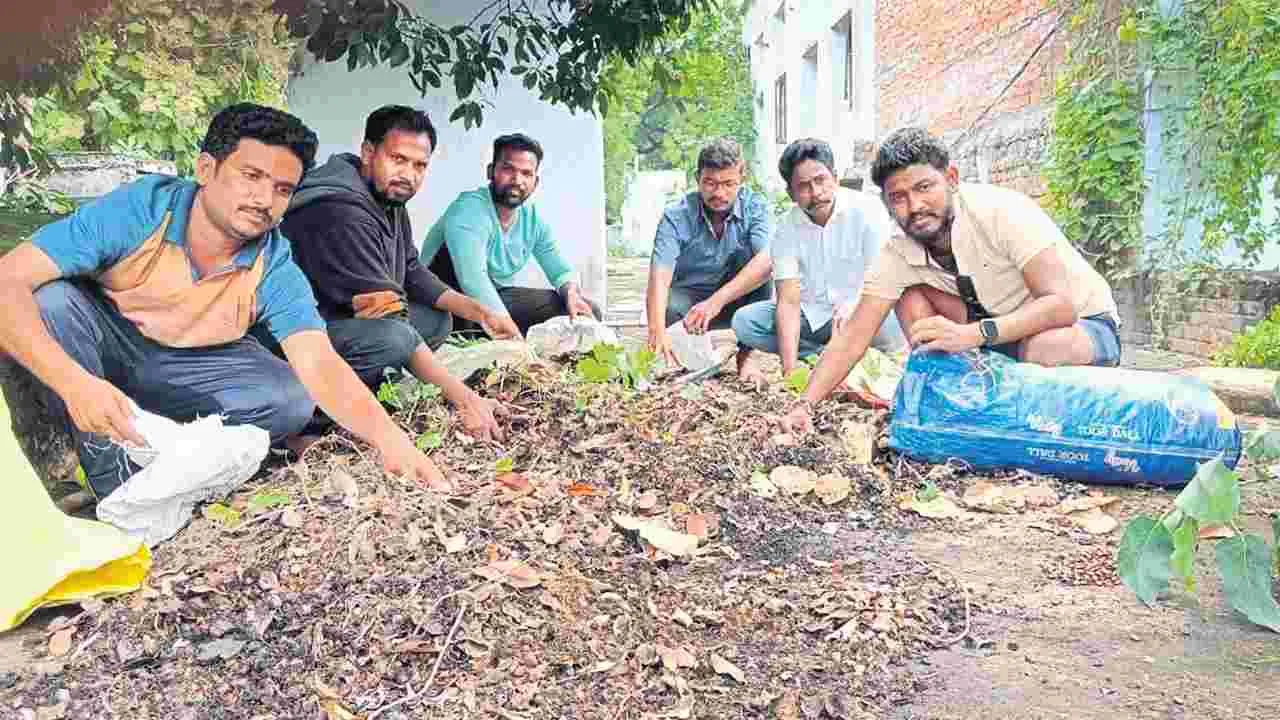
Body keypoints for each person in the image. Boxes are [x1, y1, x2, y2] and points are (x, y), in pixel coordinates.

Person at [0, 103, 451, 498]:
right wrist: (74, 383)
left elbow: (319, 362)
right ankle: (116, 486)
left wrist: (392, 442)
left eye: (282, 189)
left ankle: (167, 444)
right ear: (206, 170)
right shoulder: (140, 210)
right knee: (52, 300)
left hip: (189, 364)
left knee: (291, 398)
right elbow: (8, 280)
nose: (263, 199)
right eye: (251, 176)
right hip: (108, 342)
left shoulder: (273, 261)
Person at [780, 127, 1122, 433]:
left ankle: (1017, 399)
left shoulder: (1002, 211)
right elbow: (853, 335)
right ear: (886, 203)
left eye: (924, 187)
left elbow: (1060, 306)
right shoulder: (897, 251)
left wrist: (973, 334)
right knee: (908, 294)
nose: (915, 206)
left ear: (952, 179)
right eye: (898, 198)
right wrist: (804, 404)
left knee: (1045, 348)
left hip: (1081, 324)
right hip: (993, 335)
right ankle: (960, 397)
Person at [279, 105, 512, 441]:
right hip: (291, 341)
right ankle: (311, 422)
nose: (408, 174)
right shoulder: (339, 210)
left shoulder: (386, 198)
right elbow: (385, 311)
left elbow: (411, 270)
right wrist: (464, 398)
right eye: (398, 159)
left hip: (342, 321)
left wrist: (479, 312)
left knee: (437, 319)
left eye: (419, 165)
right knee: (394, 338)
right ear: (368, 152)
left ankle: (371, 383)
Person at [731, 138, 906, 377]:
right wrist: (789, 371)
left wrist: (854, 306)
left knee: (891, 319)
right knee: (745, 322)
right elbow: (789, 302)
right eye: (803, 186)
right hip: (817, 317)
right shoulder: (786, 228)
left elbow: (882, 276)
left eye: (821, 180)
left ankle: (846, 357)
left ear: (834, 177)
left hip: (868, 309)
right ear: (790, 193)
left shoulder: (868, 210)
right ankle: (829, 356)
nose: (816, 193)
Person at [422, 133, 601, 336]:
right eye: (508, 169)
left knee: (584, 312)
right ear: (491, 171)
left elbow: (560, 270)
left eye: (526, 173)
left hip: (493, 299)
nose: (517, 180)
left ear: (536, 181)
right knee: (488, 333)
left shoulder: (531, 220)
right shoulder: (469, 209)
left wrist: (571, 292)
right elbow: (473, 279)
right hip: (444, 304)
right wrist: (507, 328)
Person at [645, 137, 773, 384]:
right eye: (710, 183)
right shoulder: (676, 215)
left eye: (728, 184)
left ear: (741, 180)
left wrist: (716, 302)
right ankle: (681, 356)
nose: (719, 193)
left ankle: (747, 358)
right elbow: (659, 277)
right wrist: (656, 330)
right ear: (697, 179)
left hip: (733, 300)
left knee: (762, 271)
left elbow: (768, 260)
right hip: (688, 305)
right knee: (669, 307)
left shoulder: (756, 208)